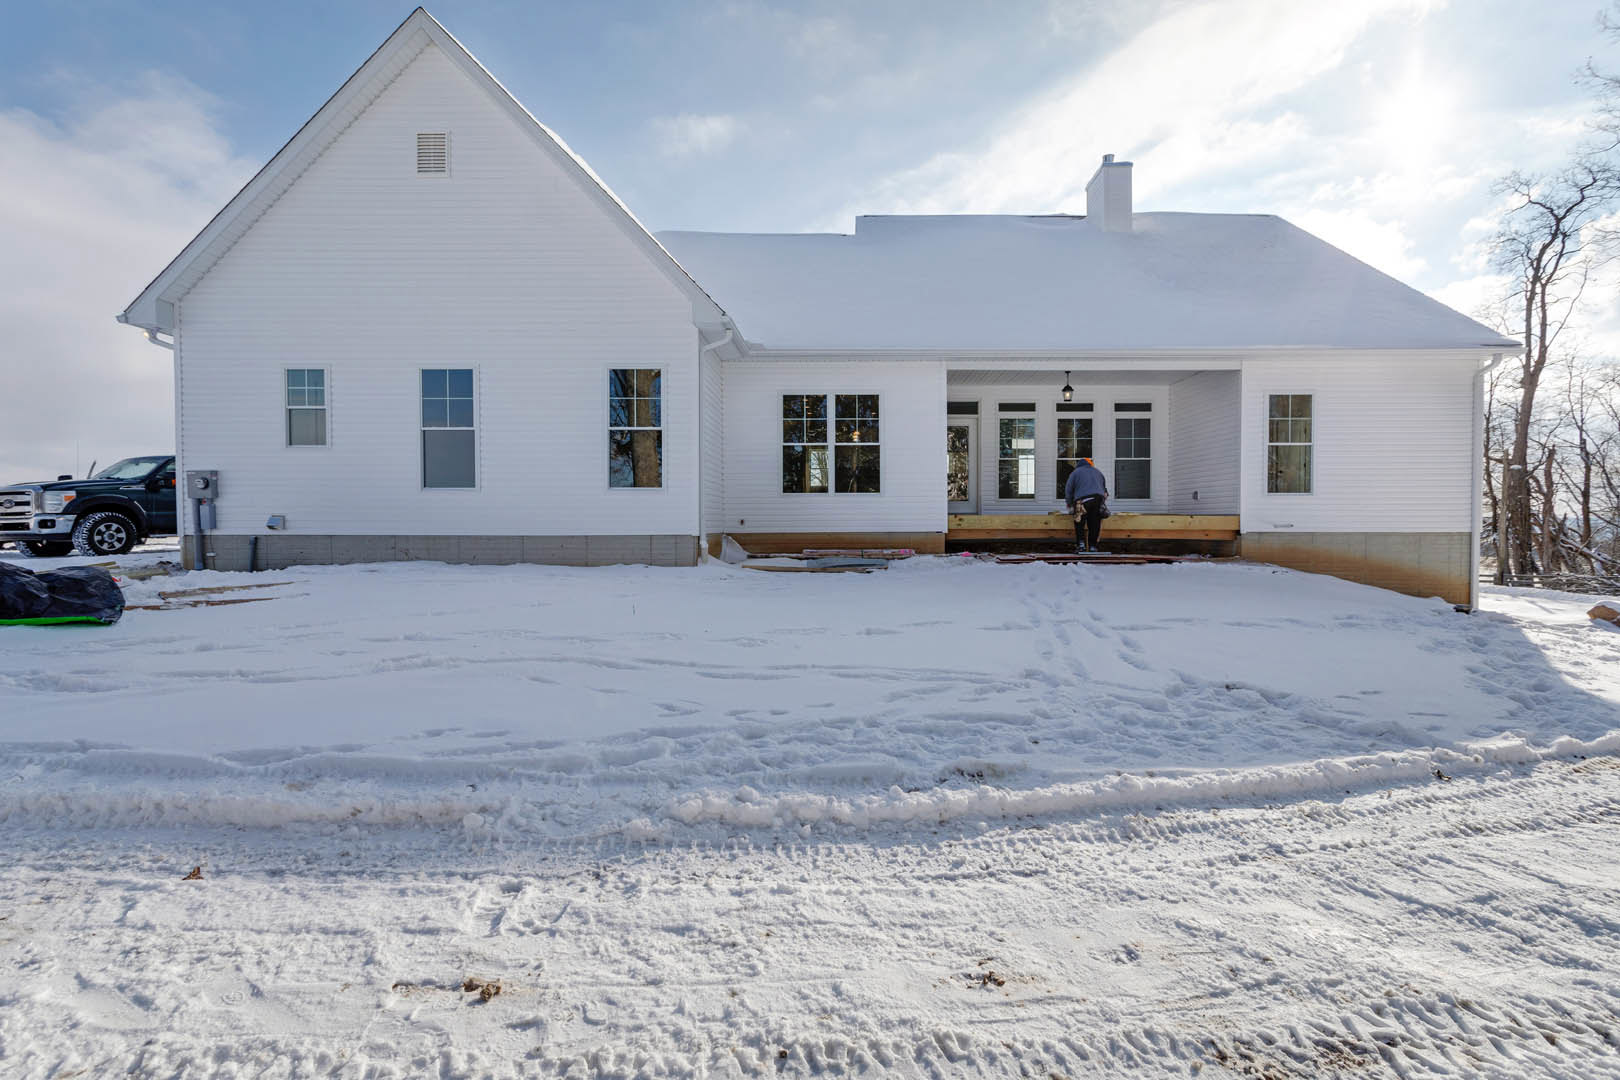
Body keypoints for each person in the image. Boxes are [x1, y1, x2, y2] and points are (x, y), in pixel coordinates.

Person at [1063, 457, 1109, 553]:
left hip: (1082, 500)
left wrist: (1069, 503)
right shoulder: (1098, 472)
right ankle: (1093, 546)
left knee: (1079, 522)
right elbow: (1105, 491)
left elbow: (1068, 489)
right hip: (1097, 499)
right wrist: (1102, 501)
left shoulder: (1075, 473)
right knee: (1094, 523)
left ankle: (1081, 545)